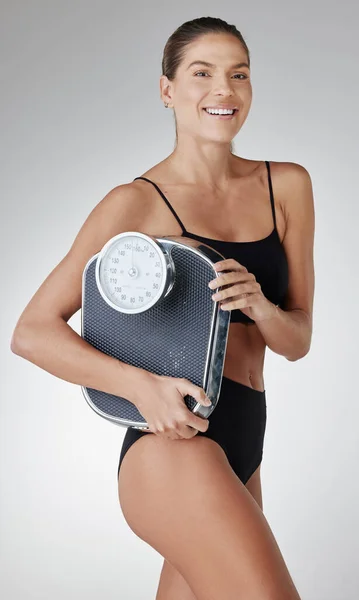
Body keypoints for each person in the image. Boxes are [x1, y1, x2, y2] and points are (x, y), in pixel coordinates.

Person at [10, 16, 315, 600]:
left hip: (246, 439)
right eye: (202, 73)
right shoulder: (135, 203)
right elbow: (31, 331)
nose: (223, 90)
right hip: (173, 451)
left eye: (238, 74)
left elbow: (297, 341)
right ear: (168, 90)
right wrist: (143, 390)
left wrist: (261, 304)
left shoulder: (288, 186)